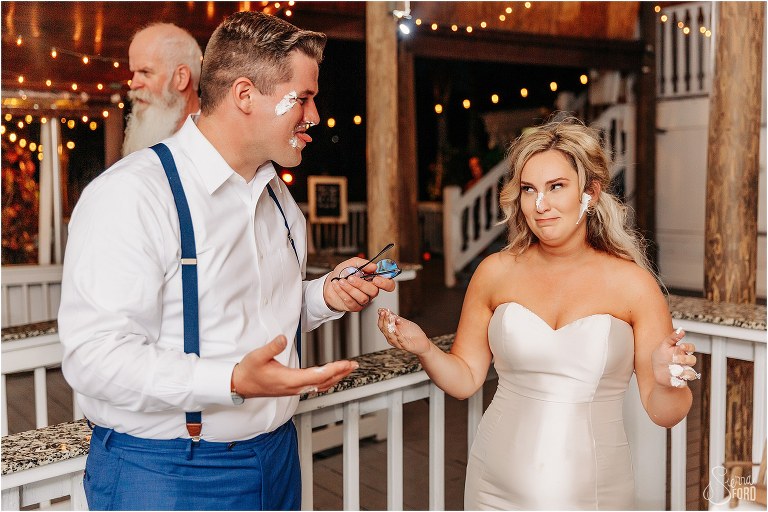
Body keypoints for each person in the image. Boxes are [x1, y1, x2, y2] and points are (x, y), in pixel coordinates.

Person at [59, 11, 395, 511]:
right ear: (244, 95)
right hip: (166, 472)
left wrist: (324, 296)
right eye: (302, 98)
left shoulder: (278, 198)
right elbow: (94, 358)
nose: (315, 116)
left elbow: (249, 312)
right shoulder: (132, 195)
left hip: (277, 457)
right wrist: (230, 380)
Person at [378, 117, 700, 510]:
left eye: (556, 187)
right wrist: (424, 347)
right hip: (492, 486)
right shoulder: (495, 271)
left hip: (594, 493)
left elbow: (664, 413)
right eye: (529, 189)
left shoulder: (632, 285)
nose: (540, 204)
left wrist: (669, 382)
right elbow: (465, 379)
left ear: (591, 193)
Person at [122, 23, 202, 156]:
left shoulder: (220, 138)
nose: (134, 84)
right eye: (134, 73)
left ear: (181, 78)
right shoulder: (152, 133)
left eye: (145, 72)